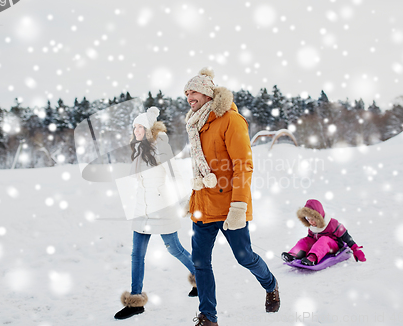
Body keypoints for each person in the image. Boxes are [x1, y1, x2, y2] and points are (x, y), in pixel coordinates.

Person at [183, 68, 280, 326]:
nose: (188, 96)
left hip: (229, 206)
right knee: (200, 263)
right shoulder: (195, 123)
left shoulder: (230, 120)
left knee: (244, 256)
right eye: (186, 92)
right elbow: (202, 167)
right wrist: (193, 198)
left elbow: (243, 165)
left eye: (193, 91)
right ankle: (208, 317)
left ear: (206, 93)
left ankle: (270, 284)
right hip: (203, 206)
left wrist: (239, 205)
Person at [114, 107, 197, 320]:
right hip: (142, 209)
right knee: (137, 255)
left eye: (140, 126)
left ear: (148, 128)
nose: (136, 130)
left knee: (174, 249)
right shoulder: (139, 149)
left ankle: (201, 278)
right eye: (134, 127)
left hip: (162, 208)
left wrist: (184, 201)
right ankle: (135, 301)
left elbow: (175, 175)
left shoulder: (161, 145)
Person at [281, 199, 366, 266]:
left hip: (333, 246)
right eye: (308, 219)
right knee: (305, 240)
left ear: (318, 217)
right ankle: (294, 254)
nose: (310, 222)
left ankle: (312, 258)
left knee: (323, 239)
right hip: (319, 246)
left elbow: (346, 236)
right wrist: (306, 245)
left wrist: (355, 249)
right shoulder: (312, 226)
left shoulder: (333, 223)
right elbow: (309, 240)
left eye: (312, 219)